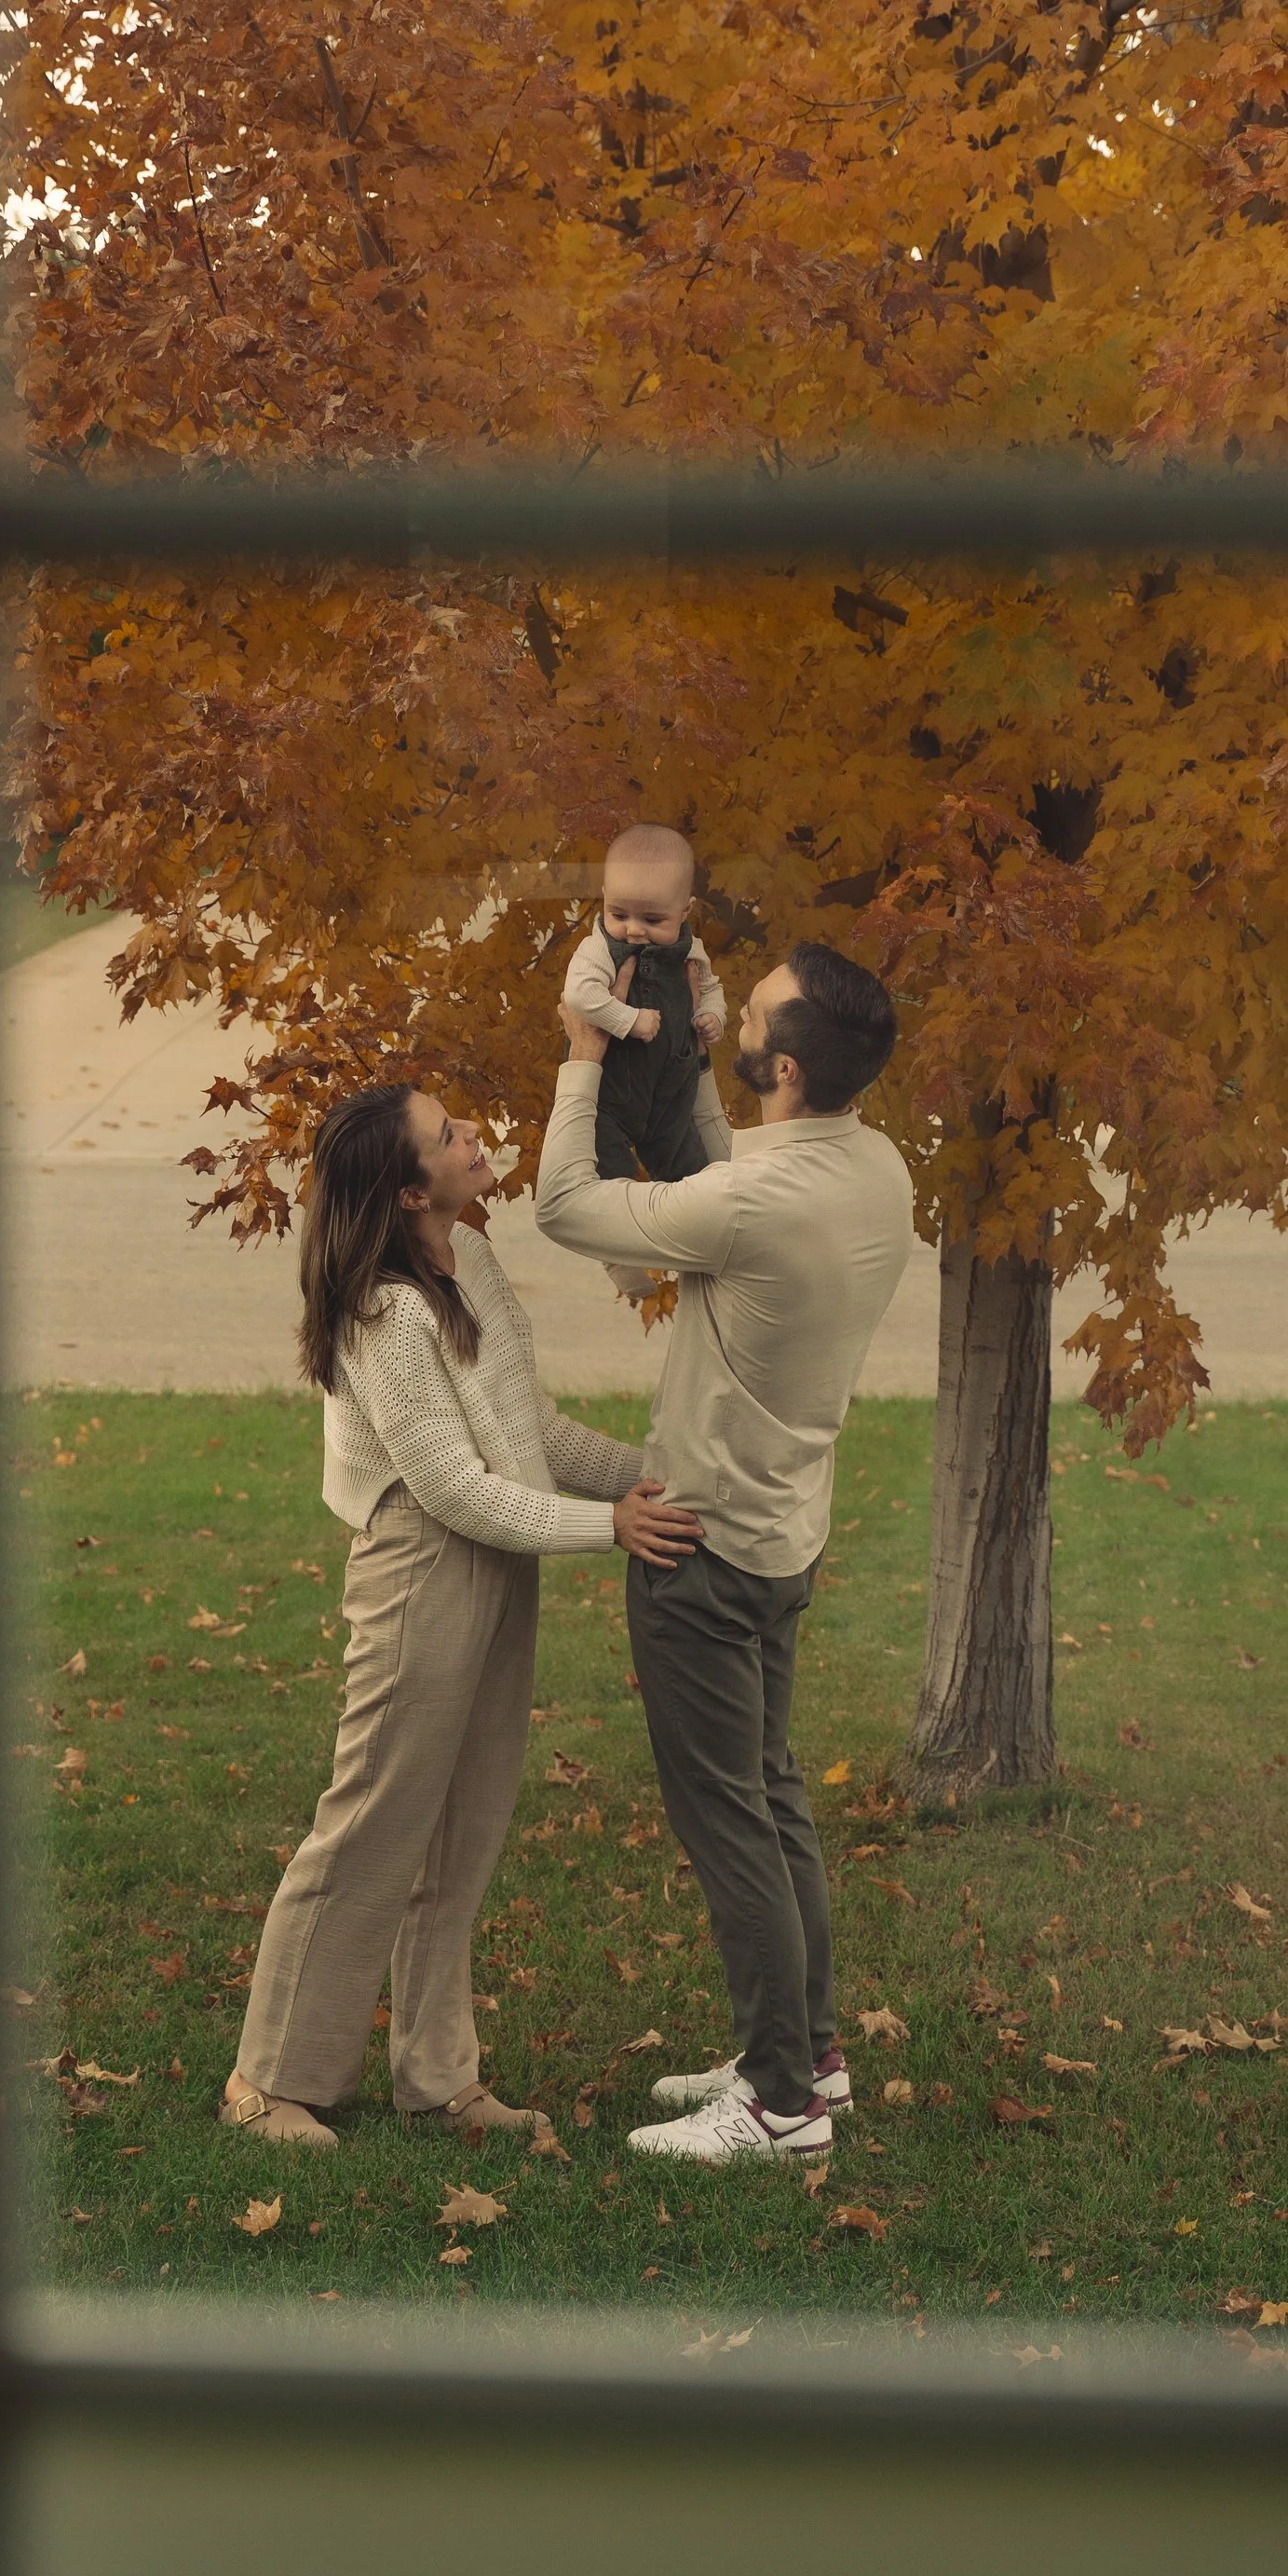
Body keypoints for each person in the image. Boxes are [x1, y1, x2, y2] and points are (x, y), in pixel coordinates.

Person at [222, 1081, 704, 2150]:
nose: (475, 1136)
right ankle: (269, 2080)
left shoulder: (469, 1258)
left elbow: (521, 1429)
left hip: (506, 1547)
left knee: (463, 1829)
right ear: (404, 1190)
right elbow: (452, 1488)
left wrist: (660, 1476)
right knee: (373, 1822)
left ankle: (437, 2077)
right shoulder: (380, 1315)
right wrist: (607, 1528)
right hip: (422, 1564)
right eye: (448, 1137)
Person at [536, 942, 915, 2165]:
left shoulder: (752, 1202)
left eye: (745, 1014)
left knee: (733, 1824)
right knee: (776, 1794)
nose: (732, 1016)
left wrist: (585, 1055)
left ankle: (779, 2103)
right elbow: (706, 1172)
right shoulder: (875, 1166)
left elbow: (563, 1206)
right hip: (780, 1537)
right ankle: (810, 2054)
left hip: (699, 1554)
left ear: (785, 1064)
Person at [558, 822, 730, 1191]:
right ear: (604, 897)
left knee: (695, 1183)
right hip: (611, 1092)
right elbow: (579, 994)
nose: (633, 929)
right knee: (610, 1187)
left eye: (652, 919)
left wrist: (712, 1014)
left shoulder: (692, 949)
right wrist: (629, 1019)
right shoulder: (600, 948)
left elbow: (711, 988)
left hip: (672, 1095)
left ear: (685, 911)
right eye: (618, 914)